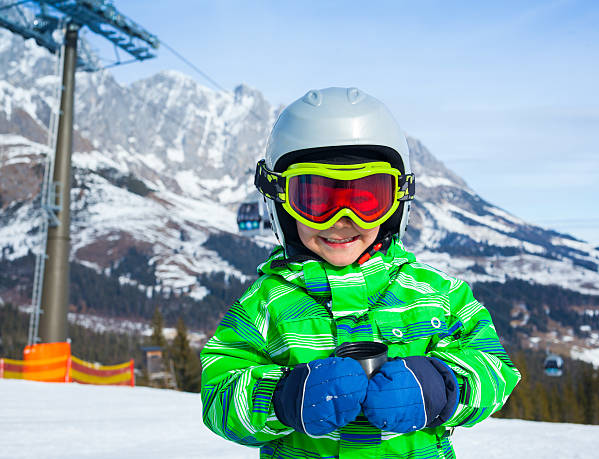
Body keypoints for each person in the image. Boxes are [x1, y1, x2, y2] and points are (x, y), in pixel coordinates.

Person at [200, 87, 521, 458]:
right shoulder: (264, 304)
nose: (342, 220)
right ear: (282, 203)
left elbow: (496, 367)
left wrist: (441, 386)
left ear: (397, 200)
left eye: (366, 199)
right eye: (316, 200)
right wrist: (283, 397)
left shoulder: (436, 294)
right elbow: (218, 395)